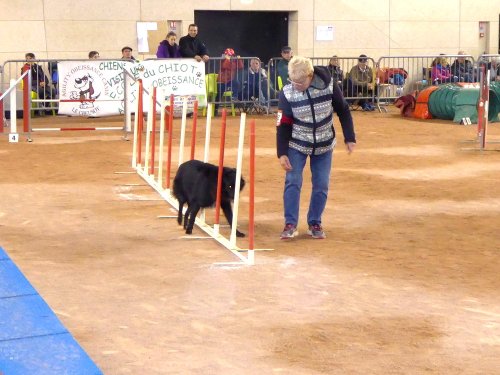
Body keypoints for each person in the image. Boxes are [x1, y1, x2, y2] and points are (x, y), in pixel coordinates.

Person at [276, 56, 356, 240]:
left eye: (300, 81)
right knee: (293, 181)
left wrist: (349, 137)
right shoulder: (287, 93)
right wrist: (281, 153)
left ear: (310, 76)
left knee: (321, 184)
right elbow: (283, 123)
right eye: (292, 80)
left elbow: (343, 109)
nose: (295, 84)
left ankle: (315, 222)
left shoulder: (329, 85)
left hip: (324, 144)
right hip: (297, 143)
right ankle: (290, 224)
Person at [215, 48, 243, 115]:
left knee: (236, 83)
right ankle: (215, 109)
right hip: (222, 81)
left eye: (232, 55)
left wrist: (239, 59)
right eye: (229, 55)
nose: (231, 56)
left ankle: (234, 97)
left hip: (230, 80)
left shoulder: (233, 61)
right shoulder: (222, 60)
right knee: (219, 95)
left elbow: (241, 67)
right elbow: (225, 66)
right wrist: (227, 59)